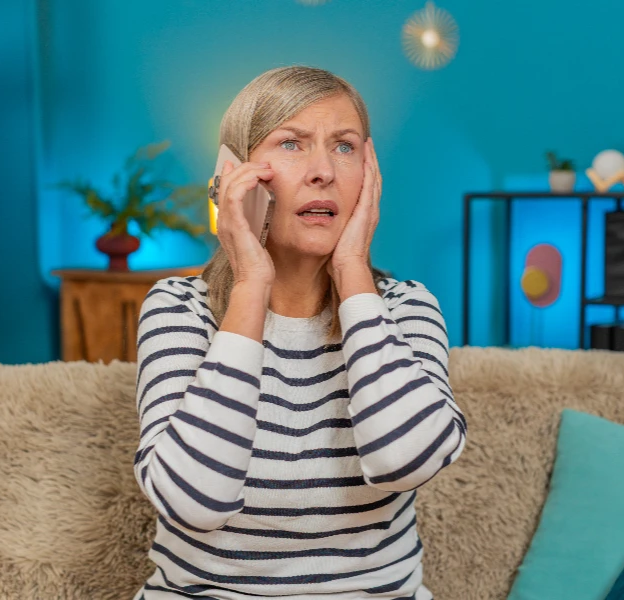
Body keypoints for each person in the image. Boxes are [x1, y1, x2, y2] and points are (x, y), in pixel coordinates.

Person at [132, 65, 467, 600]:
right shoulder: (178, 308)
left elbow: (403, 460)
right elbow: (197, 500)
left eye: (344, 147)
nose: (323, 172)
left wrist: (353, 267)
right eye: (291, 144)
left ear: (370, 172)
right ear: (234, 173)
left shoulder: (406, 307)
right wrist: (249, 283)